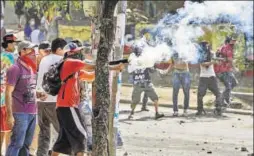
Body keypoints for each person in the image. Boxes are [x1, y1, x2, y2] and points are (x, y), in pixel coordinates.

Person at [51, 42, 124, 156]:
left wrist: (112, 68)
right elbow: (93, 66)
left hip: (65, 106)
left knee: (63, 142)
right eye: (77, 51)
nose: (80, 54)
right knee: (81, 135)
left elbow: (90, 76)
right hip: (67, 106)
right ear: (70, 53)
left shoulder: (73, 68)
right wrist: (114, 67)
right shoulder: (70, 62)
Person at [5, 41, 47, 156]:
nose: (34, 53)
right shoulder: (15, 68)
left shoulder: (31, 68)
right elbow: (8, 93)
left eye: (34, 50)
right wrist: (9, 115)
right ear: (22, 51)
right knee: (16, 144)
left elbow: (28, 88)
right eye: (30, 50)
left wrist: (38, 94)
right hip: (20, 113)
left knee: (26, 144)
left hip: (32, 112)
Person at [36, 38, 67, 156]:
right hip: (53, 101)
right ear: (59, 49)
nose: (65, 52)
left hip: (40, 100)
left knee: (44, 132)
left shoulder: (44, 59)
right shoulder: (61, 60)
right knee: (62, 132)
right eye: (64, 49)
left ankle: (42, 154)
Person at [127, 43, 164, 120]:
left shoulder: (146, 60)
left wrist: (154, 65)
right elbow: (130, 70)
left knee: (155, 97)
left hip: (146, 83)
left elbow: (152, 69)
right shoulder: (133, 61)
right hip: (139, 84)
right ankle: (131, 113)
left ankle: (157, 113)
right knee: (135, 100)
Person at [0, 34, 20, 156]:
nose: (15, 45)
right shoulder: (14, 58)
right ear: (8, 44)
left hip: (1, 98)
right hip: (9, 99)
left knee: (2, 130)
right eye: (14, 43)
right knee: (10, 131)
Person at [196, 41, 222, 116]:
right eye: (205, 46)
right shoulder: (200, 54)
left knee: (218, 94)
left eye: (207, 46)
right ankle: (200, 110)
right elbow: (203, 64)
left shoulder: (212, 53)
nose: (207, 47)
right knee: (200, 95)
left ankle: (218, 109)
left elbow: (217, 62)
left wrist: (218, 61)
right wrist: (213, 62)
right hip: (203, 77)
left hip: (211, 76)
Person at [214, 36, 238, 106]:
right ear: (228, 41)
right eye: (232, 41)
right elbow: (230, 59)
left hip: (224, 70)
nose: (234, 42)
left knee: (234, 83)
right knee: (229, 86)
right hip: (223, 71)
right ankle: (220, 99)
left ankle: (226, 99)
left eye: (234, 41)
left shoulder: (223, 47)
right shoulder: (228, 48)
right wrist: (235, 68)